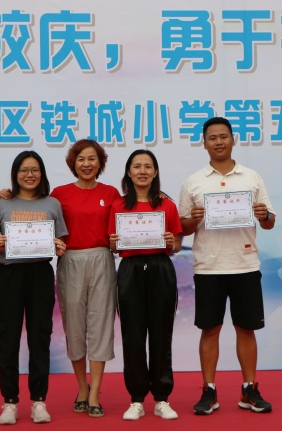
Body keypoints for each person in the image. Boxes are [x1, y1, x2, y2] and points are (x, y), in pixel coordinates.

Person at [0, 140, 120, 417]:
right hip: (64, 263)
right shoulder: (57, 195)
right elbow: (31, 219)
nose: (86, 164)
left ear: (100, 163)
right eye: (80, 159)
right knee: (72, 327)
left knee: (98, 325)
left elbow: (125, 219)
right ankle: (80, 388)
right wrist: (4, 195)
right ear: (72, 163)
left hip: (98, 260)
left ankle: (92, 394)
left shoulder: (110, 193)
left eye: (92, 159)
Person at [179, 117, 275, 415]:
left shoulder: (252, 178)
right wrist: (193, 219)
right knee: (210, 330)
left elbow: (269, 222)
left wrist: (263, 214)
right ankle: (209, 390)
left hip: (245, 264)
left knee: (246, 329)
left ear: (233, 139)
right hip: (209, 267)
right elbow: (183, 228)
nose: (218, 142)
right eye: (212, 137)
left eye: (223, 136)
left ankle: (249, 389)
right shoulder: (193, 182)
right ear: (204, 143)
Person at [0, 150, 68, 425]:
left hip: (40, 274)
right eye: (24, 170)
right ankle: (9, 401)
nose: (29, 175)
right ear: (15, 174)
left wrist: (59, 246)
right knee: (7, 337)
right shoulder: (1, 203)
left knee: (40, 337)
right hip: (9, 274)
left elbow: (61, 241)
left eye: (35, 170)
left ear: (42, 174)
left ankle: (39, 400)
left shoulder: (52, 203)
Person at [108, 150, 182, 421]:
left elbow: (176, 244)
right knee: (133, 335)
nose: (142, 171)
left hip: (160, 269)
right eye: (137, 166)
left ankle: (162, 398)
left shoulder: (167, 205)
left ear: (155, 172)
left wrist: (171, 241)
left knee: (162, 334)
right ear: (129, 172)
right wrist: (113, 243)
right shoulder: (118, 206)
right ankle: (136, 399)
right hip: (130, 270)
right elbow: (113, 245)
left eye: (148, 166)